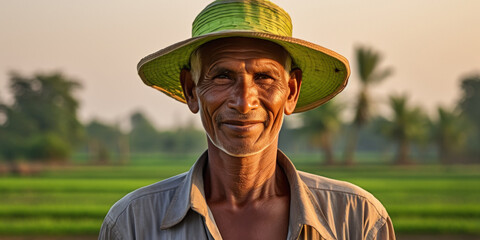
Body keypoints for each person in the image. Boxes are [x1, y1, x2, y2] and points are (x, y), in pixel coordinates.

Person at [99, 0, 395, 239]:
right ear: (191, 90)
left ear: (291, 92)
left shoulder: (357, 220)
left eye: (265, 77)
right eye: (222, 76)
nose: (244, 101)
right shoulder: (132, 225)